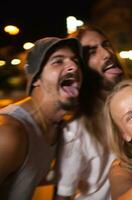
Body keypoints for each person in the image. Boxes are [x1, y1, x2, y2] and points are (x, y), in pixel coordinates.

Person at [0, 37, 83, 200]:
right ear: (36, 78)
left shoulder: (56, 127)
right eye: (58, 61)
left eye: (75, 60)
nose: (74, 66)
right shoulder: (8, 133)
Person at [55, 25, 125, 200]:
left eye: (106, 44)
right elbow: (62, 195)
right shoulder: (74, 130)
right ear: (80, 68)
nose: (107, 54)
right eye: (92, 52)